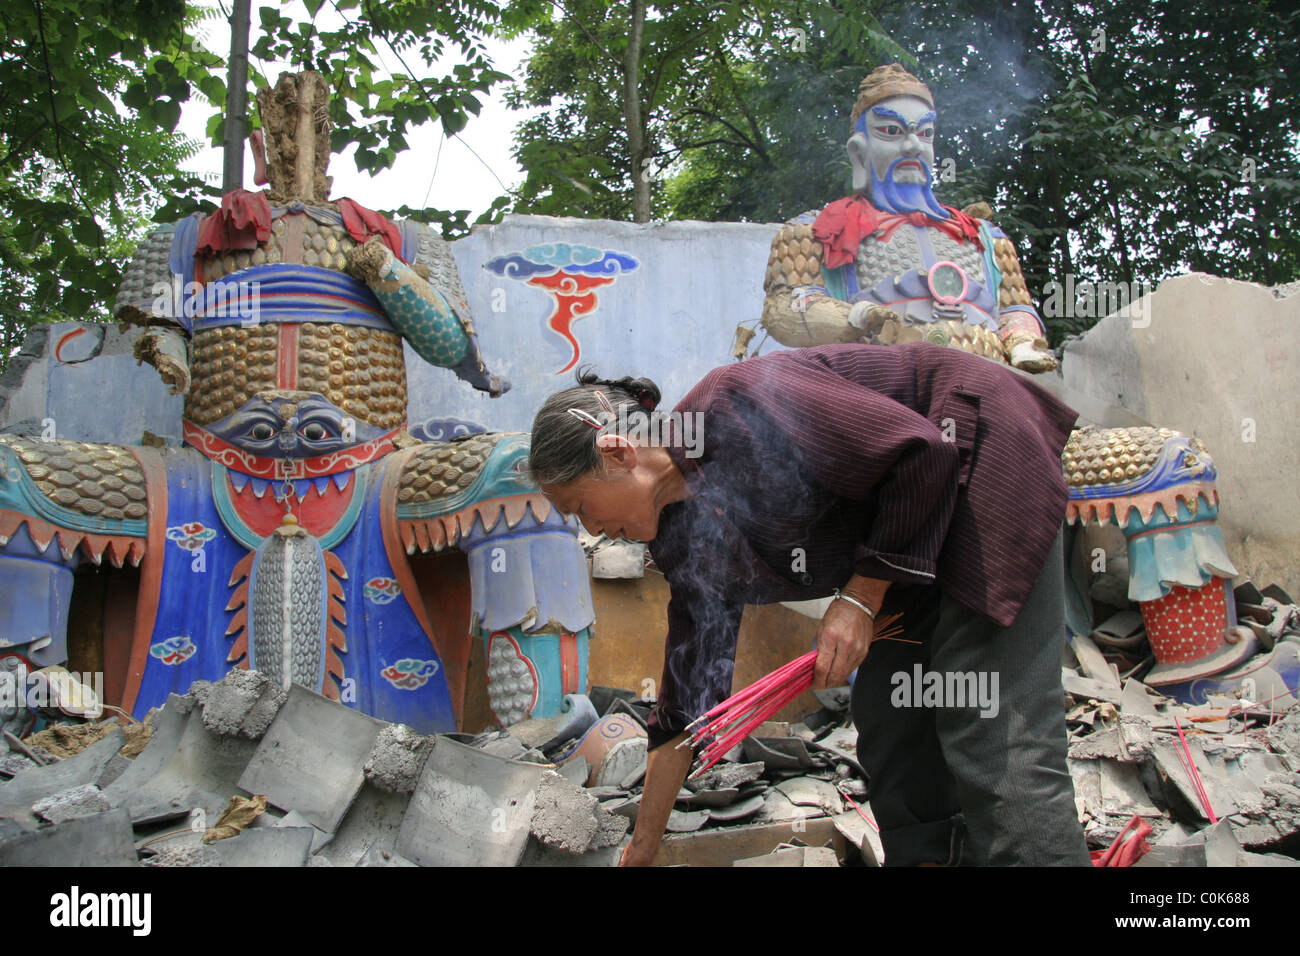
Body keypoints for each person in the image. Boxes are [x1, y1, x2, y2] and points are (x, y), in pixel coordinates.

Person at [528, 341, 1092, 866]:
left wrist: (859, 599)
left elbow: (922, 454)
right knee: (894, 727)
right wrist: (643, 848)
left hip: (980, 461)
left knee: (989, 725)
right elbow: (689, 703)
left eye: (580, 505)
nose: (593, 529)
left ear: (618, 450)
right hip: (906, 544)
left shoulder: (737, 405)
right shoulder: (681, 537)